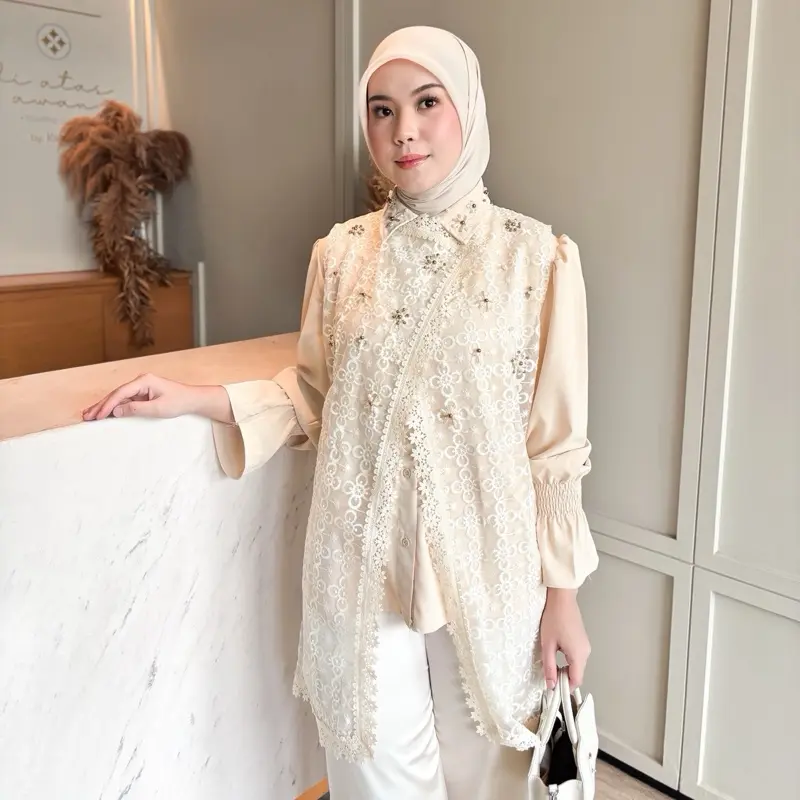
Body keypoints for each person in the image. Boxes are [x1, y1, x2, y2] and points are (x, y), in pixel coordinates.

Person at [82, 25, 599, 800]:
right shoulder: (341, 255)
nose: (404, 131)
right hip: (359, 571)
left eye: (427, 103)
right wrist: (196, 397)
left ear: (468, 107)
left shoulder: (536, 259)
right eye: (381, 110)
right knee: (377, 782)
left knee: (494, 781)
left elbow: (554, 447)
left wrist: (563, 598)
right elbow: (316, 397)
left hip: (492, 577)